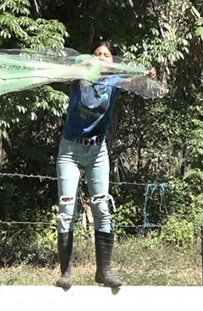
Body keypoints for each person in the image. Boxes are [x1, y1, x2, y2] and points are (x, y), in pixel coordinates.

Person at [55, 41, 156, 289]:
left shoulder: (114, 83)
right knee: (67, 208)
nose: (101, 57)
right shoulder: (79, 78)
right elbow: (66, 76)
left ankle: (104, 271)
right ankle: (66, 273)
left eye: (107, 55)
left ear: (113, 61)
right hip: (70, 150)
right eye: (98, 54)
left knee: (102, 206)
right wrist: (80, 64)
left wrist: (147, 73)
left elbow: (135, 81)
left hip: (98, 151)